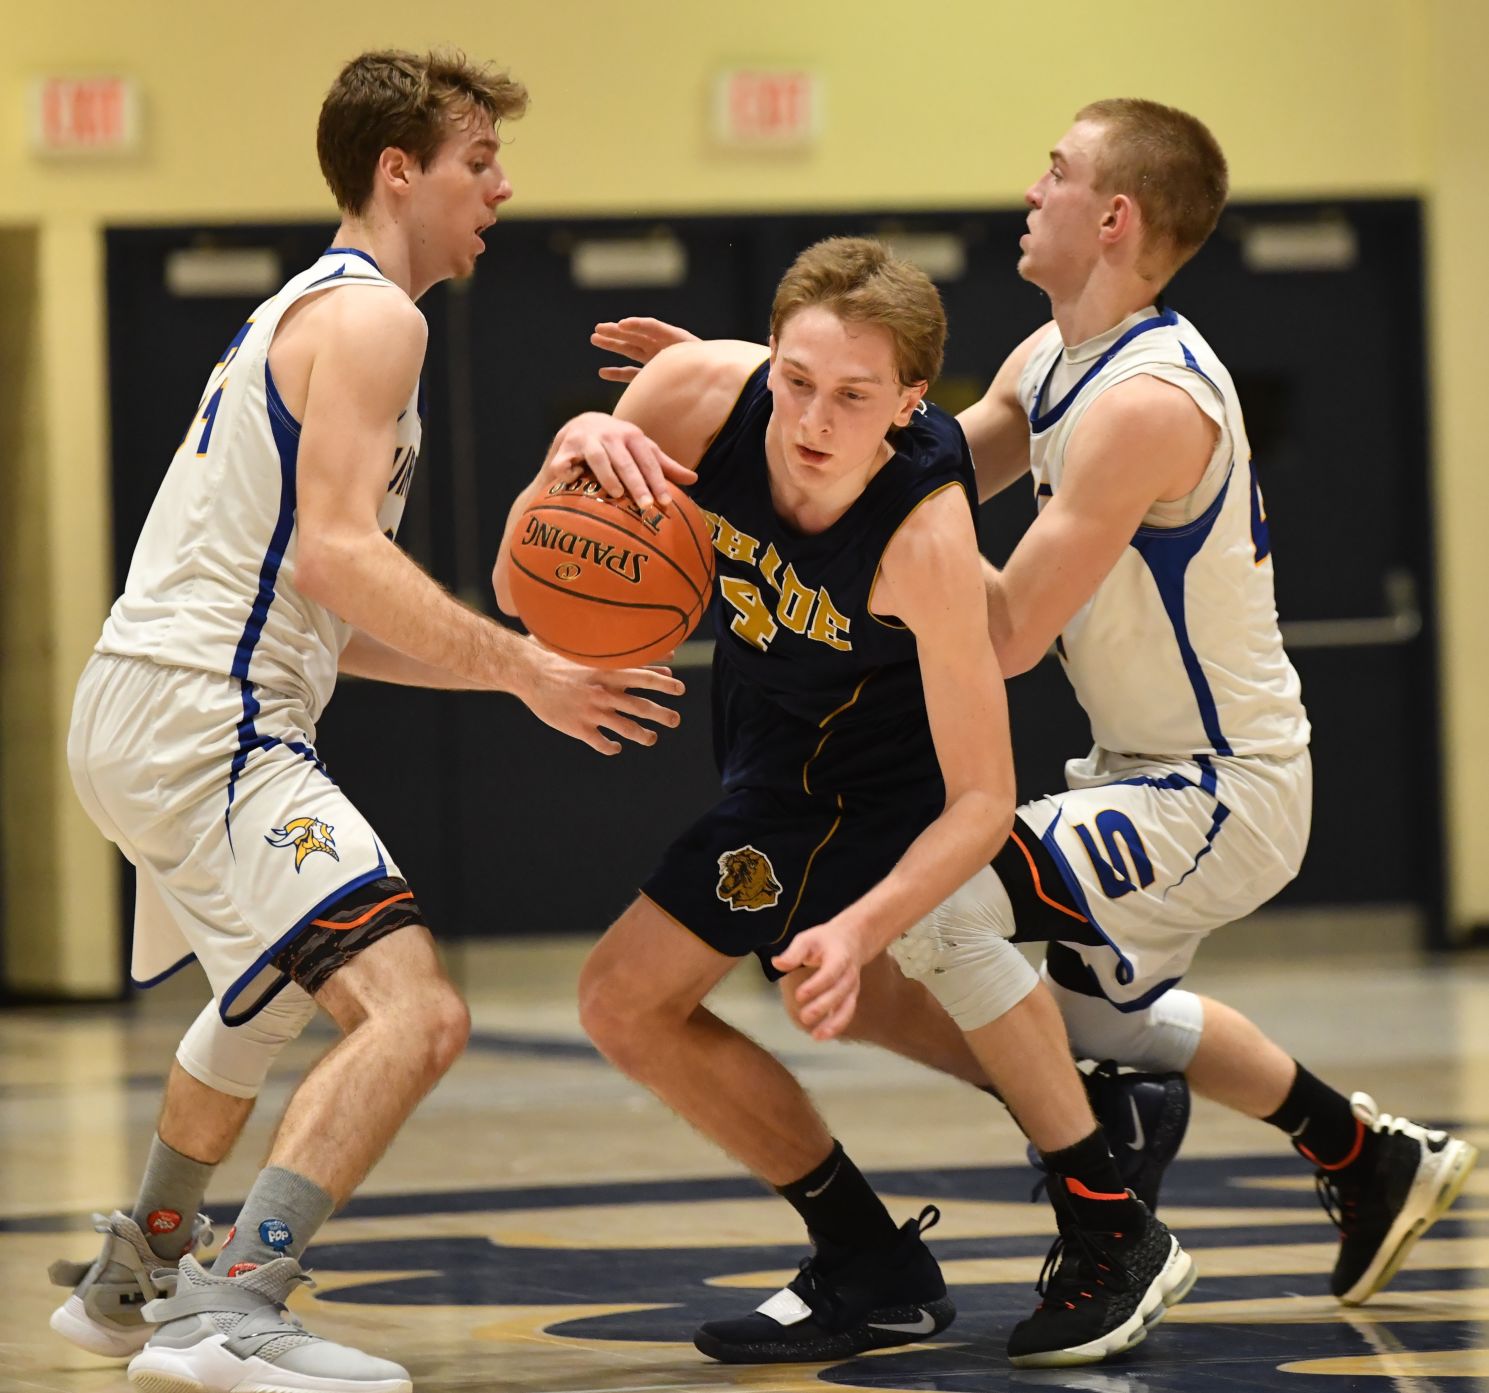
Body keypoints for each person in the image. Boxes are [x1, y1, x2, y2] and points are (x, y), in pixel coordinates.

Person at [593, 98, 1479, 1312]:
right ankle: (1364, 1155)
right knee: (1083, 1023)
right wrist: (769, 407)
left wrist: (809, 442)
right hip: (1135, 767)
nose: (1030, 189)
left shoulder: (1145, 403)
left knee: (940, 907)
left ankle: (1110, 1233)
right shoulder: (1047, 360)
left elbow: (996, 625)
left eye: (1054, 172)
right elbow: (903, 459)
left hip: (1221, 786)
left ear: (1111, 218)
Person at [51, 50, 687, 1393]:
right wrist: (525, 666)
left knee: (268, 997)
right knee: (416, 1012)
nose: (500, 190)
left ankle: (135, 1279)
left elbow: (326, 608)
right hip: (207, 714)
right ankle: (231, 1310)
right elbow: (338, 558)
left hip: (152, 702)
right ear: (398, 170)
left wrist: (521, 675)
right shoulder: (376, 319)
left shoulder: (308, 310)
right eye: (478, 162)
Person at [503, 236, 1195, 1371]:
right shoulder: (689, 397)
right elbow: (519, 584)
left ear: (911, 401)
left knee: (624, 1000)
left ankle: (889, 1256)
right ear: (765, 354)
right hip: (767, 740)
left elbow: (983, 797)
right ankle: (1093, 1121)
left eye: (854, 396)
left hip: (870, 778)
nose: (812, 421)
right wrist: (566, 456)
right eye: (795, 379)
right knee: (860, 1000)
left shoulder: (925, 539)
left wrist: (860, 921)